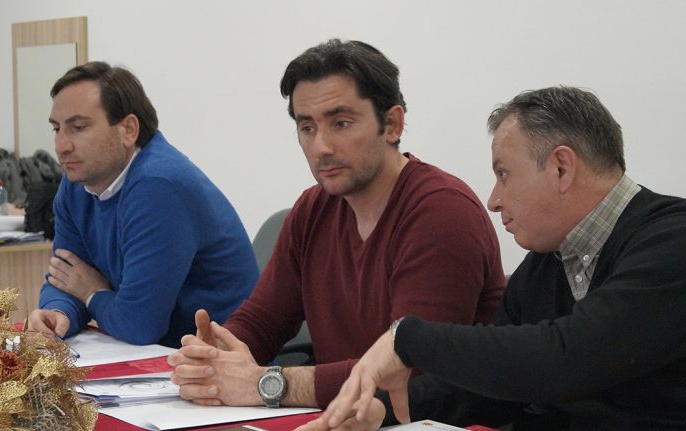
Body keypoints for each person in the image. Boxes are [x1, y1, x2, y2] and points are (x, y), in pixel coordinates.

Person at [309, 86, 686, 431]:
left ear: (561, 167)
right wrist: (381, 410)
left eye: (503, 174)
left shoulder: (673, 241)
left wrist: (408, 337)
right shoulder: (545, 264)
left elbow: (567, 359)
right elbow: (485, 390)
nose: (493, 201)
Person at [168, 39, 506, 409]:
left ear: (392, 124)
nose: (321, 147)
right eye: (307, 127)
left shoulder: (442, 213)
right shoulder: (312, 208)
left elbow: (409, 372)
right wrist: (214, 358)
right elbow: (264, 320)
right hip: (342, 417)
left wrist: (268, 383)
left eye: (341, 123)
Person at [28, 62, 259, 348]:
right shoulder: (77, 183)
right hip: (160, 357)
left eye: (78, 128)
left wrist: (92, 293)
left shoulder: (159, 186)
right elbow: (67, 277)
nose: (62, 146)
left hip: (221, 359)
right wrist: (58, 312)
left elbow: (139, 325)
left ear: (128, 130)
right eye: (56, 129)